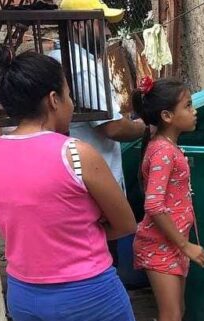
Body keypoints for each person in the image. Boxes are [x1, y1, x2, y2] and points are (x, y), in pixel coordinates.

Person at [0, 45, 138, 321]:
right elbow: (124, 224)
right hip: (88, 293)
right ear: (53, 99)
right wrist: (84, 231)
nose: (71, 103)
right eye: (67, 95)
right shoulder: (77, 154)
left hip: (26, 296)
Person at [48, 13, 147, 266]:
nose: (106, 31)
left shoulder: (61, 58)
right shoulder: (79, 66)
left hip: (77, 177)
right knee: (101, 257)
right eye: (101, 23)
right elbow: (112, 127)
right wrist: (145, 128)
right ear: (79, 25)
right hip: (92, 181)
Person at [132, 77, 204, 321]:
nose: (194, 111)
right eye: (188, 106)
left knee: (176, 317)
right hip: (162, 244)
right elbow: (153, 204)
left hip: (171, 242)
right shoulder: (163, 152)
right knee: (170, 318)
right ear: (166, 116)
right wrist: (184, 245)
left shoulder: (165, 147)